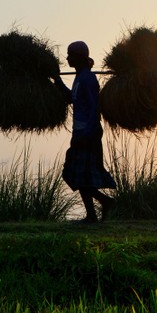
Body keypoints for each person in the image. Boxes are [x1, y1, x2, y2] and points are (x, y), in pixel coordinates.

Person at [53, 41, 116, 223]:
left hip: (88, 132)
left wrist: (87, 133)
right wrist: (57, 80)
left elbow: (94, 107)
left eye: (70, 55)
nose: (67, 58)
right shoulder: (79, 77)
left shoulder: (88, 79)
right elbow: (71, 99)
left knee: (80, 174)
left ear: (79, 57)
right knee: (78, 174)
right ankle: (97, 209)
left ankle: (100, 206)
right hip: (80, 132)